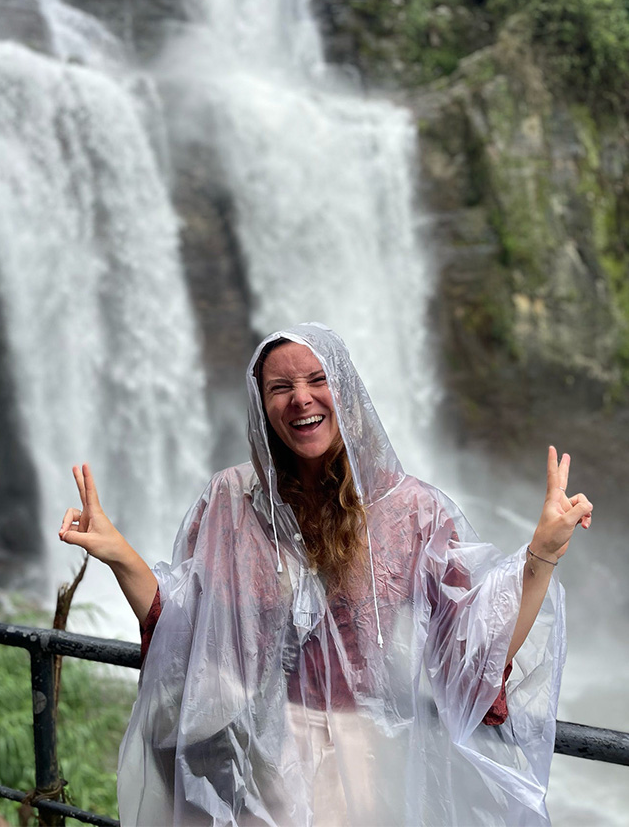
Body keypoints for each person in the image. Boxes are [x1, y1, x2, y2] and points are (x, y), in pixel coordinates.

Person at [59, 323, 592, 827]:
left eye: (318, 380)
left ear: (348, 392)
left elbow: (473, 650)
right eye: (280, 387)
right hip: (247, 751)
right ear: (261, 406)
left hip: (360, 754)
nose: (301, 398)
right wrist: (119, 553)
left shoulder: (411, 512)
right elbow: (184, 625)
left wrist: (541, 554)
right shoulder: (231, 499)